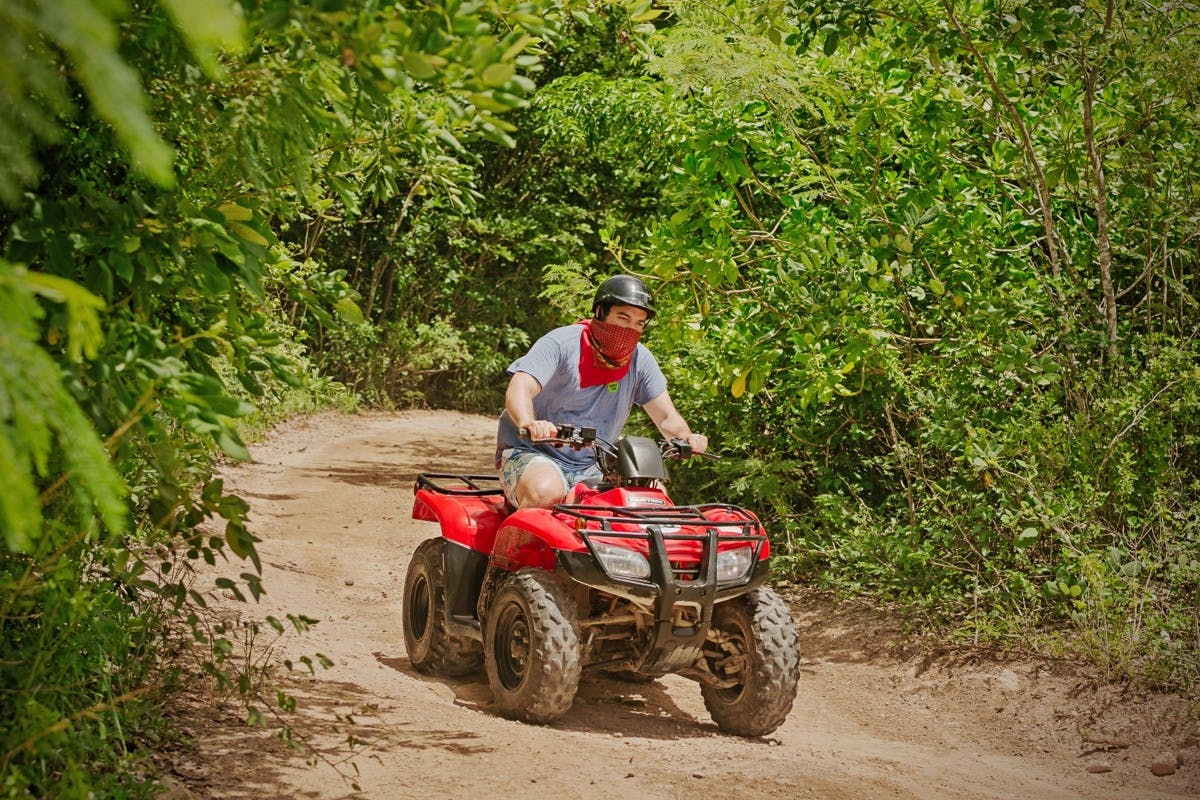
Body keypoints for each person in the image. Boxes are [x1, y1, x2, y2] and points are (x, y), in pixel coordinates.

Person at [495, 274, 708, 509]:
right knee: (546, 493)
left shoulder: (640, 359)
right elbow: (521, 386)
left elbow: (667, 417)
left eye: (639, 323)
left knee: (652, 499)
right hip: (533, 453)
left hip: (596, 463)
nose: (630, 329)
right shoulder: (560, 343)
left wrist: (685, 437)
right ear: (600, 312)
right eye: (623, 318)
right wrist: (529, 422)